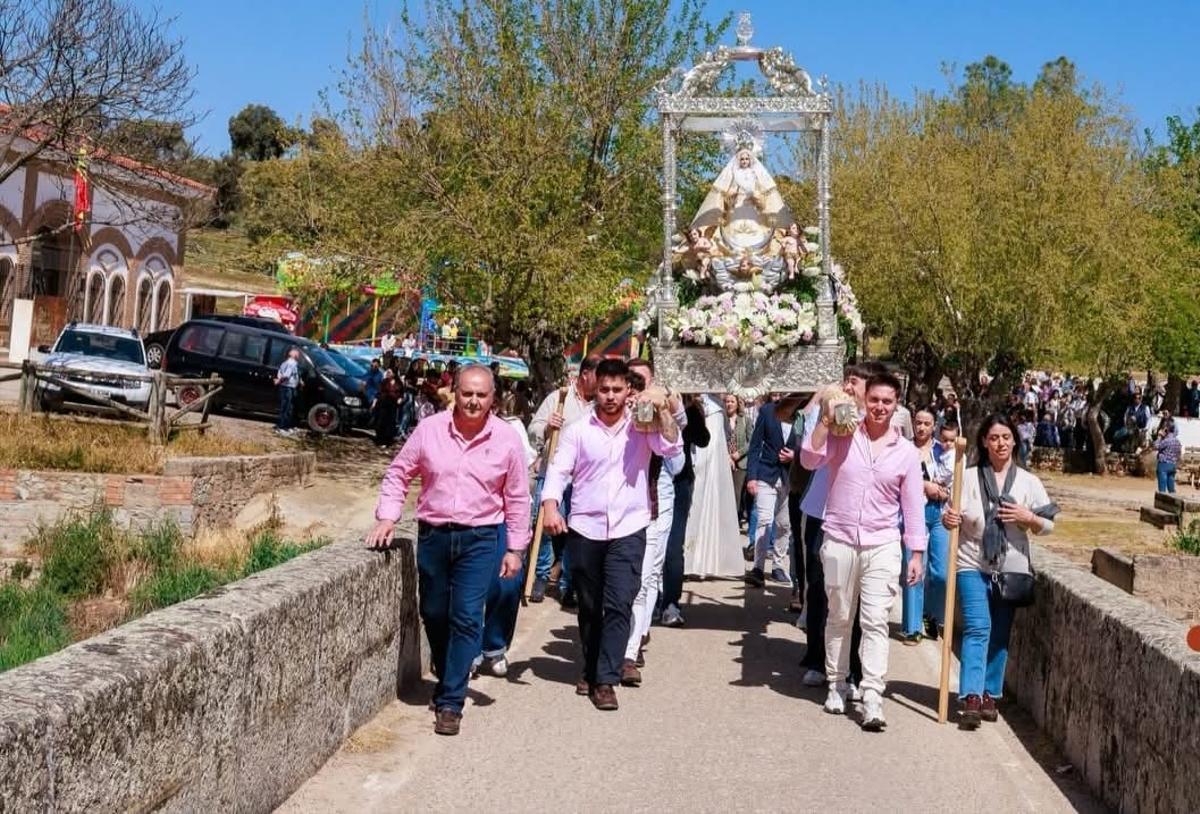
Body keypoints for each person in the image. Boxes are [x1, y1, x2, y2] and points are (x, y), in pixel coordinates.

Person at [365, 364, 530, 736]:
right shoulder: (429, 430)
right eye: (467, 393)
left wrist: (516, 548)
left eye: (481, 395)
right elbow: (398, 473)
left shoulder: (506, 439)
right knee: (434, 611)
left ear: (493, 399)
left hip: (481, 537)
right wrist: (388, 516)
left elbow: (518, 497)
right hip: (435, 535)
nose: (473, 401)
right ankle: (447, 668)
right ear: (455, 392)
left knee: (468, 617)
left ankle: (451, 701)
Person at [542, 359, 681, 711]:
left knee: (620, 602)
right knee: (589, 606)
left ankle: (605, 679)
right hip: (585, 528)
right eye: (604, 389)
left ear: (627, 391)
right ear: (595, 389)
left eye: (617, 390)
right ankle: (590, 667)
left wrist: (661, 410)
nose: (610, 396)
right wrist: (550, 506)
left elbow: (672, 450)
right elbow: (559, 469)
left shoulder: (642, 427)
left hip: (629, 527)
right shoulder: (578, 430)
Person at [801, 372, 925, 732]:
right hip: (839, 536)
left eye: (887, 402)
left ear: (896, 405)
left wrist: (915, 552)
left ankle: (872, 693)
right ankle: (836, 683)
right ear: (863, 401)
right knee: (839, 615)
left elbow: (913, 505)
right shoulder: (844, 435)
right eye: (874, 401)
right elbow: (809, 459)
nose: (880, 408)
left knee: (874, 620)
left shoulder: (905, 452)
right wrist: (825, 421)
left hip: (882, 542)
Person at [942, 414, 1057, 730]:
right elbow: (949, 514)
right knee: (978, 628)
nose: (1001, 443)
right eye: (994, 437)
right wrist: (948, 520)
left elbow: (1048, 526)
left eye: (1006, 437)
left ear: (1015, 441)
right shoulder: (965, 477)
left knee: (1001, 633)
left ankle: (991, 692)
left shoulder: (1028, 482)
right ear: (984, 442)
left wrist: (1027, 517)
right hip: (971, 562)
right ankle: (970, 698)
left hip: (1012, 568)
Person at [797, 362, 885, 689]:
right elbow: (806, 451)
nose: (848, 388)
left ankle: (855, 667)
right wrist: (822, 409)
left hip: (857, 518)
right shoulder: (828, 411)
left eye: (856, 384)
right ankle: (819, 659)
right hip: (822, 511)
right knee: (821, 587)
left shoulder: (875, 424)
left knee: (857, 595)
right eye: (847, 381)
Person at [627, 358, 699, 629]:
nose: (634, 386)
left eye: (640, 381)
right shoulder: (614, 410)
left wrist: (665, 406)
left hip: (661, 496)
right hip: (625, 502)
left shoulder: (664, 404)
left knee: (652, 569)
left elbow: (678, 454)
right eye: (630, 379)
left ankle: (638, 638)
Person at [473, 391, 538, 678]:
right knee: (469, 588)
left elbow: (522, 482)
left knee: (506, 585)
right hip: (465, 520)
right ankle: (469, 650)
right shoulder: (446, 429)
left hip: (500, 517)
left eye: (483, 397)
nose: (475, 403)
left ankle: (495, 646)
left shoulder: (511, 432)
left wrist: (519, 534)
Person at [527, 356, 601, 605]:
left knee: (575, 532)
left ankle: (567, 583)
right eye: (598, 376)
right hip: (554, 472)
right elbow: (533, 431)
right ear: (585, 375)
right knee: (544, 526)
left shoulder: (601, 405)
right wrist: (548, 427)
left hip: (583, 479)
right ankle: (540, 575)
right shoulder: (558, 398)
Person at [901, 411, 957, 644]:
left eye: (927, 424)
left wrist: (945, 493)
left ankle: (931, 614)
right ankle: (912, 627)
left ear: (934, 426)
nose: (922, 427)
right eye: (918, 423)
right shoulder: (903, 449)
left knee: (941, 573)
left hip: (940, 514)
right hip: (914, 512)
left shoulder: (942, 448)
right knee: (915, 569)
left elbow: (954, 476)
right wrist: (925, 486)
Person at [745, 392, 807, 588]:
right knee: (764, 519)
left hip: (791, 476)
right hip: (766, 473)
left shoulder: (805, 413)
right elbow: (755, 445)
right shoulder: (767, 411)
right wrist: (752, 476)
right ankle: (757, 568)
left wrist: (795, 455)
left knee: (784, 524)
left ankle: (778, 566)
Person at [684, 393, 743, 583]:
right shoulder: (695, 404)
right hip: (690, 467)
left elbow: (712, 448)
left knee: (706, 503)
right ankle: (688, 561)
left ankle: (702, 562)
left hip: (707, 471)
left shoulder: (716, 411)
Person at [724, 394, 752, 524]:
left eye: (732, 401)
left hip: (741, 464)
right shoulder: (721, 419)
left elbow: (751, 442)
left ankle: (733, 523)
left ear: (737, 404)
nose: (729, 404)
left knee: (736, 496)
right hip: (724, 461)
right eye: (727, 401)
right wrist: (727, 457)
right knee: (723, 495)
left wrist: (738, 454)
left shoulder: (745, 419)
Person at [273, 347, 301, 434]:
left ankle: (286, 426)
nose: (298, 355)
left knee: (288, 407)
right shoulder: (291, 363)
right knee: (286, 407)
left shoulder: (289, 363)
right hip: (287, 387)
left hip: (290, 387)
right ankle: (281, 427)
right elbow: (286, 375)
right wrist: (279, 381)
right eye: (297, 353)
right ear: (293, 354)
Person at [374, 369, 401, 447]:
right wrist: (375, 402)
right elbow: (379, 392)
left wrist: (400, 399)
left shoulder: (399, 383)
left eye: (390, 372)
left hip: (393, 405)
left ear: (394, 374)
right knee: (381, 422)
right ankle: (380, 440)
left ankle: (387, 441)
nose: (388, 374)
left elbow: (401, 393)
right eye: (387, 372)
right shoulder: (384, 382)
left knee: (390, 423)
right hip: (383, 404)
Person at [1154, 418, 1182, 494]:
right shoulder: (1177, 441)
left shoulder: (1166, 441)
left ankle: (1162, 502)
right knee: (1171, 487)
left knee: (1162, 488)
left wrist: (1159, 436)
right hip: (1173, 465)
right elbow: (1179, 454)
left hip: (1163, 464)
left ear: (1166, 429)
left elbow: (1156, 446)